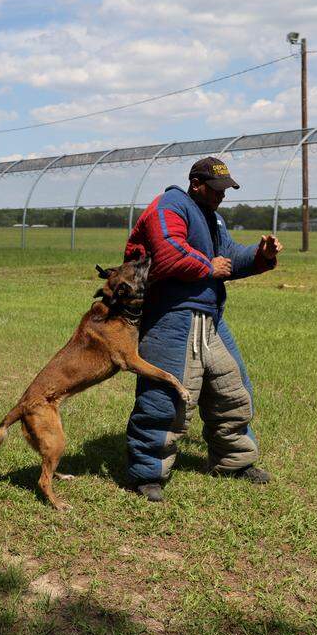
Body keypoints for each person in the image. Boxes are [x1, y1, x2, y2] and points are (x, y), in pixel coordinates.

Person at [122, 156, 283, 502]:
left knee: (232, 392)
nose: (221, 196)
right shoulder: (169, 206)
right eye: (216, 190)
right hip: (171, 317)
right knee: (165, 399)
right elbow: (168, 251)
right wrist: (208, 266)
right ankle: (147, 474)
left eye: (225, 190)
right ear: (196, 184)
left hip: (210, 319)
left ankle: (234, 461)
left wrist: (260, 255)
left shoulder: (213, 218)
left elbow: (229, 258)